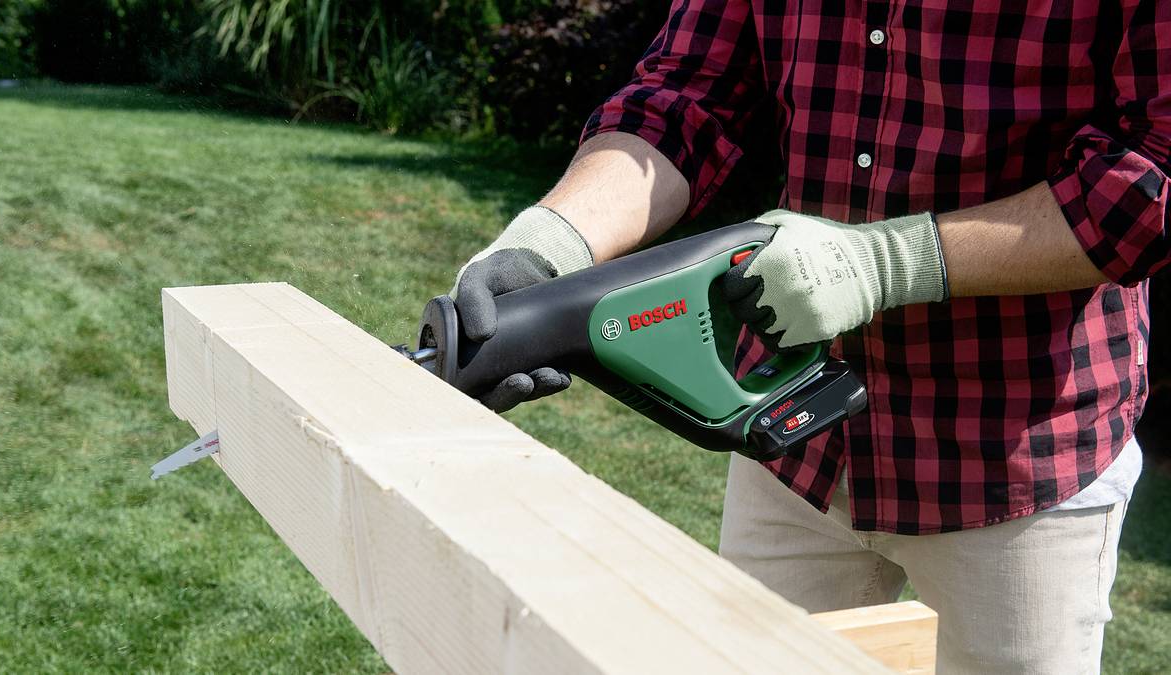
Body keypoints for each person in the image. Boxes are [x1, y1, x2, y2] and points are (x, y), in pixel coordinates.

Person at [450, 2, 1167, 672]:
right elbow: (686, 96)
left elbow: (1151, 178)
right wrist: (554, 241)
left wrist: (890, 263)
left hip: (1015, 456)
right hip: (791, 429)